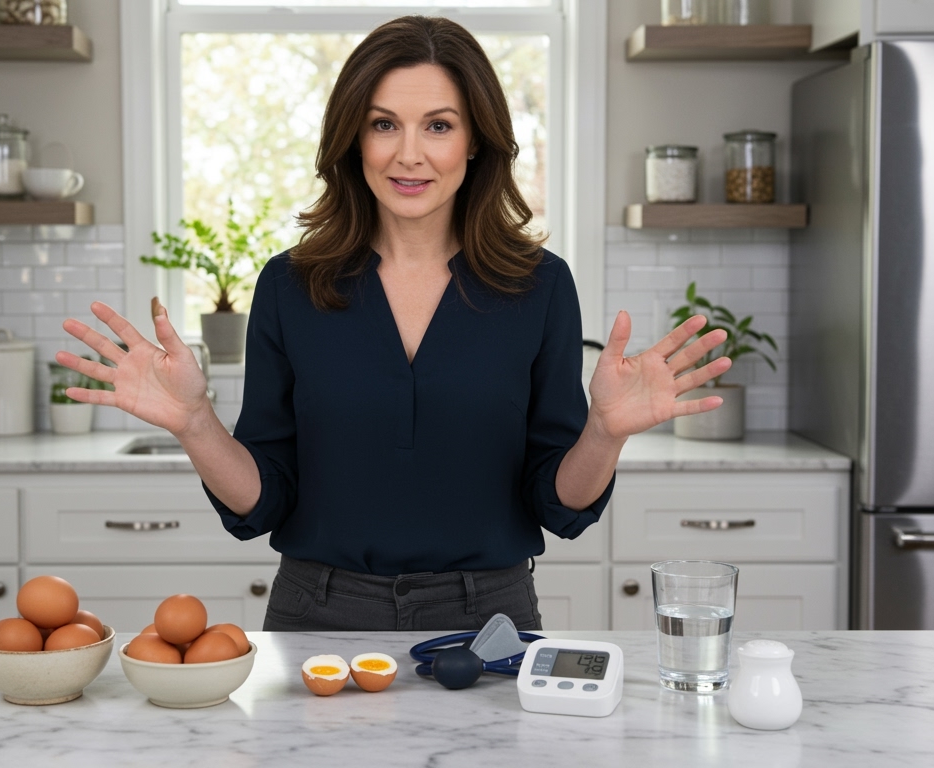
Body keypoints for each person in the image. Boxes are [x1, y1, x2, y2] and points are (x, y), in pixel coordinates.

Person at [56, 15, 729, 632]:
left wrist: (604, 433)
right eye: (384, 124)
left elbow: (558, 503)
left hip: (490, 619)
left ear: (476, 142)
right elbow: (264, 503)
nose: (409, 154)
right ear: (353, 139)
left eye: (438, 125)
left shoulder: (540, 286)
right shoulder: (290, 286)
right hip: (316, 617)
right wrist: (194, 423)